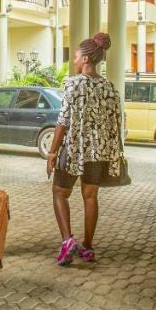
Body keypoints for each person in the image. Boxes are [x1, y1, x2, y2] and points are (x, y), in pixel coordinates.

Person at [45, 32, 123, 265]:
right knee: (90, 196)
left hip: (74, 149)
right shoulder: (109, 87)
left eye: (76, 56)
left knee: (59, 192)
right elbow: (115, 122)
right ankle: (88, 247)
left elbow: (63, 121)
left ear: (87, 59)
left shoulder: (73, 84)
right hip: (97, 151)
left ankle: (67, 240)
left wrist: (52, 151)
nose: (74, 61)